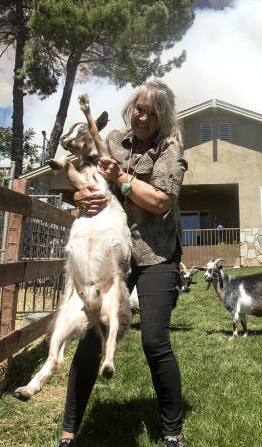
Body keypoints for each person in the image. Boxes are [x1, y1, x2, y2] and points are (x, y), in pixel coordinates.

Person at [58, 79, 188, 447]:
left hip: (155, 254)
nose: (142, 117)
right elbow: (88, 178)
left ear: (163, 119)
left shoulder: (169, 151)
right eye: (139, 108)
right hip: (114, 254)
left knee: (154, 339)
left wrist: (123, 178)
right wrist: (81, 196)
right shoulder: (113, 140)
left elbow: (161, 202)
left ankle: (173, 432)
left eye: (152, 113)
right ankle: (68, 433)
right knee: (91, 336)